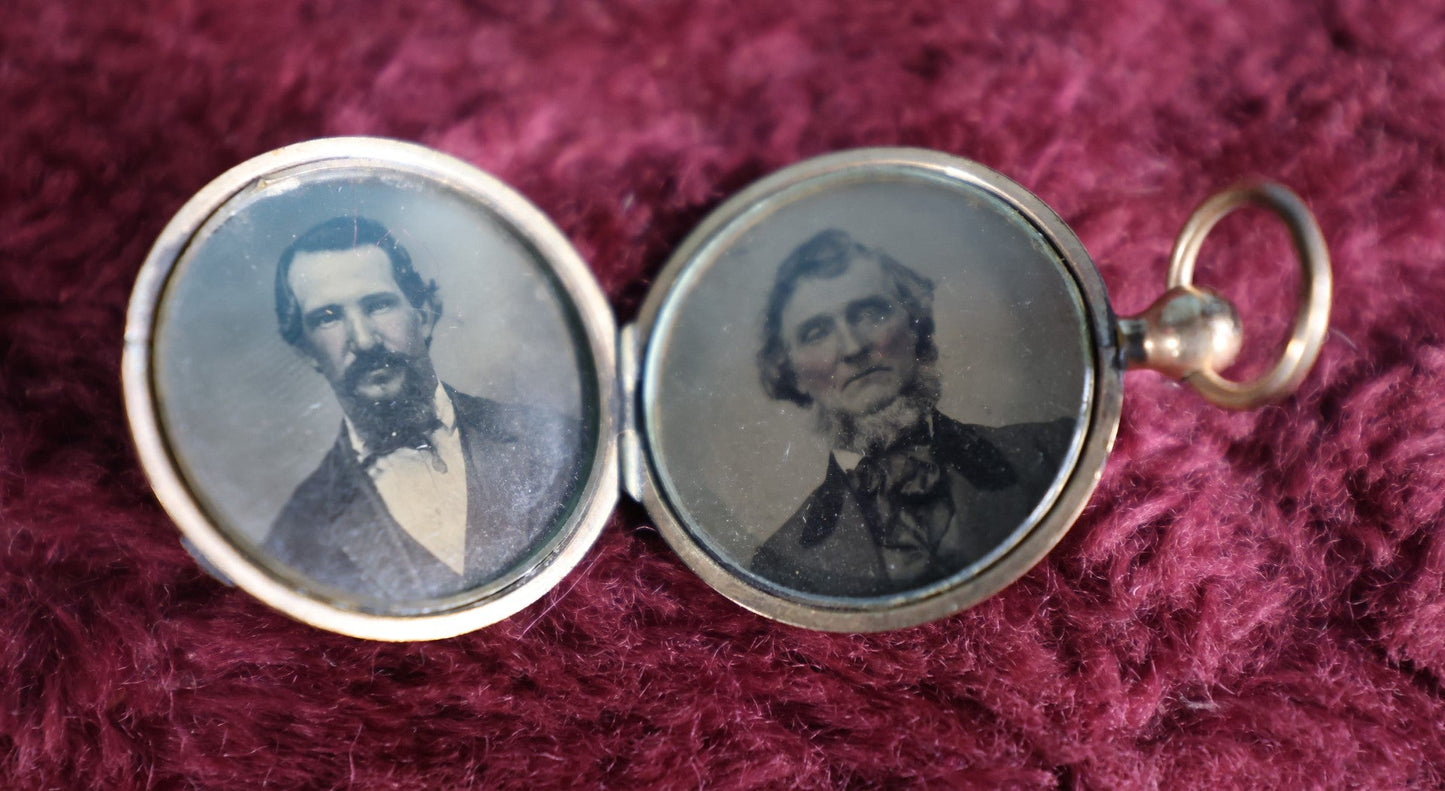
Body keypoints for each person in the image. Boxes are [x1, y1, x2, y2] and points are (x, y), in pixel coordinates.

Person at [263, 216, 580, 602]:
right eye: (328, 318)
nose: (363, 340)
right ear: (304, 350)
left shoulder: (558, 440)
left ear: (426, 313)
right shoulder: (295, 535)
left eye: (378, 305)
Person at [750, 229, 1073, 597]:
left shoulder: (1051, 452)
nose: (853, 347)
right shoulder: (779, 565)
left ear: (914, 324)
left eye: (870, 313)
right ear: (791, 372)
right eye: (817, 333)